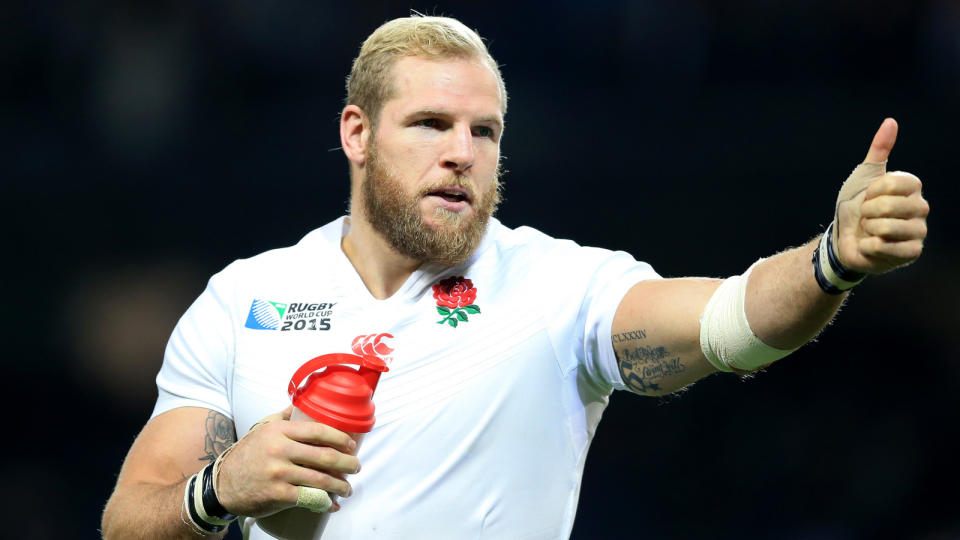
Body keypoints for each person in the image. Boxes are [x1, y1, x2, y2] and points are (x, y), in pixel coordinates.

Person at [101, 15, 929, 540]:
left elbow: (727, 324)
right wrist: (219, 489)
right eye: (430, 123)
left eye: (484, 131)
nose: (461, 151)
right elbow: (130, 517)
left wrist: (832, 261)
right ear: (356, 133)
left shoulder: (554, 286)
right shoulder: (246, 294)